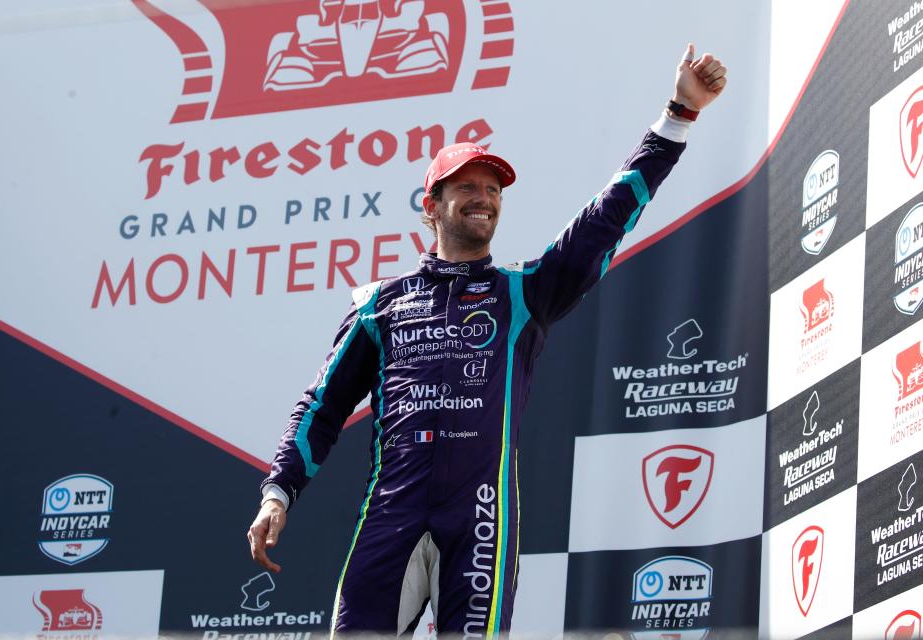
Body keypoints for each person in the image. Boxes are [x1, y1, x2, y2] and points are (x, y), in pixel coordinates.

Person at [249, 43, 727, 637]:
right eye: (467, 187)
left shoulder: (524, 293)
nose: (484, 198)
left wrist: (678, 115)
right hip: (391, 513)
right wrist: (278, 493)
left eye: (494, 189)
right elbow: (320, 408)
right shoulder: (380, 304)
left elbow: (605, 219)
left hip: (479, 521)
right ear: (433, 206)